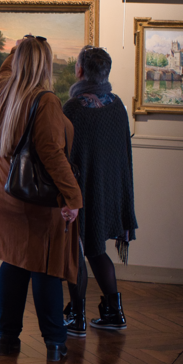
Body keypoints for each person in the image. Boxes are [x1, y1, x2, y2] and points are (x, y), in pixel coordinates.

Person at [0, 36, 83, 362]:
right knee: (45, 266)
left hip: (4, 194)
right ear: (46, 64)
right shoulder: (47, 101)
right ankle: (55, 343)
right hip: (35, 200)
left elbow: (4, 71)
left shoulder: (4, 91)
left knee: (14, 262)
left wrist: (18, 48)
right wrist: (73, 198)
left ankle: (6, 339)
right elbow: (53, 156)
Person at [62, 46, 138, 336]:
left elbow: (63, 156)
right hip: (108, 190)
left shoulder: (72, 108)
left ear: (80, 71)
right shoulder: (117, 105)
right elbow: (122, 156)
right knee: (96, 250)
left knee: (75, 252)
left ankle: (77, 317)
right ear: (105, 72)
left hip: (80, 193)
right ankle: (113, 312)